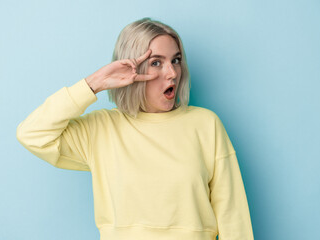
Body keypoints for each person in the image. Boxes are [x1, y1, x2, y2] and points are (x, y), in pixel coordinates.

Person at [16, 17, 254, 240]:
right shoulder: (101, 129)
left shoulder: (205, 124)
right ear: (133, 69)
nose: (172, 73)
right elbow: (32, 134)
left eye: (176, 60)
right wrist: (94, 84)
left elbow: (233, 217)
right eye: (156, 63)